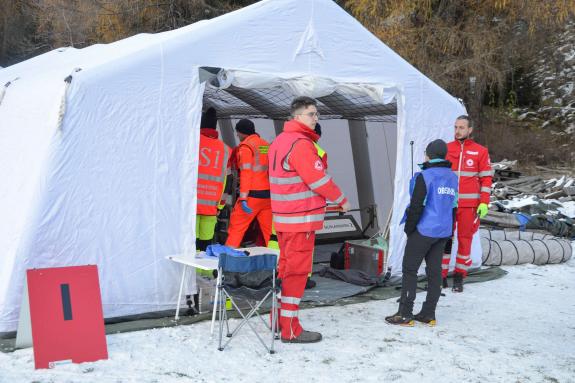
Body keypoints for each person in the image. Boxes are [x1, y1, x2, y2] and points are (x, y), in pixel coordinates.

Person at [269, 96, 350, 343]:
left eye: (316, 114)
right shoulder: (301, 144)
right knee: (296, 274)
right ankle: (291, 330)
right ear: (297, 117)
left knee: (285, 270)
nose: (316, 118)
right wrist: (341, 199)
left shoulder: (279, 141)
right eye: (311, 114)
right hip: (300, 220)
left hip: (284, 218)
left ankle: (278, 322)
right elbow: (317, 179)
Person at [385, 139, 458, 326]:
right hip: (442, 232)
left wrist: (410, 229)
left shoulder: (424, 176)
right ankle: (428, 313)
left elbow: (417, 206)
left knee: (410, 270)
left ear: (428, 155)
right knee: (435, 273)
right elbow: (454, 207)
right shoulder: (452, 177)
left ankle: (405, 313)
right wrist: (450, 231)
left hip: (424, 230)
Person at [443, 115, 492, 292]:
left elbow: (486, 179)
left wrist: (484, 203)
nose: (457, 131)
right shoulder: (446, 148)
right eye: (456, 127)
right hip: (447, 203)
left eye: (461, 128)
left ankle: (459, 277)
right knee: (444, 239)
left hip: (469, 205)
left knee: (465, 240)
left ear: (470, 130)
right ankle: (440, 277)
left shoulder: (481, 151)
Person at [225, 119, 273, 248]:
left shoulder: (246, 147)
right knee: (270, 233)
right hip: (267, 196)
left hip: (252, 196)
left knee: (236, 228)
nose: (237, 135)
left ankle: (227, 261)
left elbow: (246, 172)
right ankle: (278, 262)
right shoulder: (265, 145)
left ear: (241, 132)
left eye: (237, 133)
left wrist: (243, 197)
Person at [196, 107, 231, 251]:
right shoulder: (226, 149)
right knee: (205, 243)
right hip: (211, 207)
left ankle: (188, 273)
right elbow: (227, 181)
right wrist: (220, 207)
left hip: (191, 204)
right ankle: (203, 272)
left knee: (189, 242)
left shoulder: (192, 142)